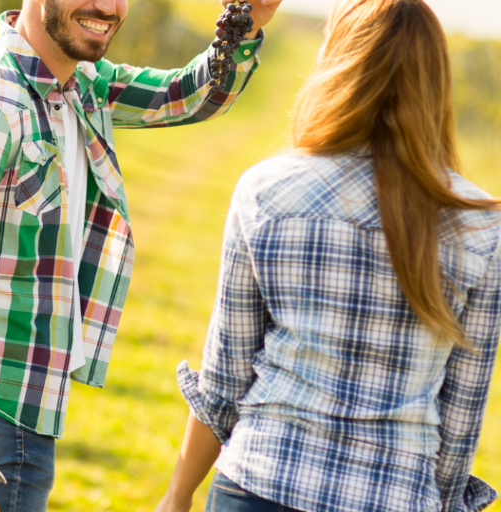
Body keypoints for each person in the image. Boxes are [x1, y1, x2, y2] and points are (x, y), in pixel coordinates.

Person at [0, 0, 281, 510]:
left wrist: (243, 25)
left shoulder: (82, 85)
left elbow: (187, 96)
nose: (109, 7)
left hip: (22, 400)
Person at [155, 0, 501, 511]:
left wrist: (178, 495)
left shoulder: (267, 190)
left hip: (259, 484)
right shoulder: (481, 226)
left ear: (338, 62)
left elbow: (225, 378)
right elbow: (460, 420)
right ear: (437, 81)